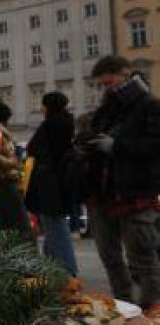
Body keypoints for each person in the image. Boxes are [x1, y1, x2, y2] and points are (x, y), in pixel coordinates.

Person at [85, 56, 160, 310]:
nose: (106, 88)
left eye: (109, 82)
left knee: (143, 257)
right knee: (110, 256)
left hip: (135, 192)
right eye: (103, 85)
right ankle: (123, 307)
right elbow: (96, 130)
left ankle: (152, 310)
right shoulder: (108, 106)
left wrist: (116, 145)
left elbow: (154, 146)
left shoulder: (150, 105)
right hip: (103, 191)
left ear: (125, 74)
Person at [26, 92, 77, 276]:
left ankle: (67, 270)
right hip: (58, 182)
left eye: (43, 105)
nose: (41, 108)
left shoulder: (52, 125)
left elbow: (33, 147)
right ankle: (51, 269)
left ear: (49, 106)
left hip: (49, 183)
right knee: (52, 227)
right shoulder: (66, 122)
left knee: (55, 227)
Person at [0, 95, 33, 241]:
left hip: (2, 179)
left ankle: (6, 250)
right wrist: (13, 162)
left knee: (6, 219)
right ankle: (28, 249)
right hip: (5, 178)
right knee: (20, 218)